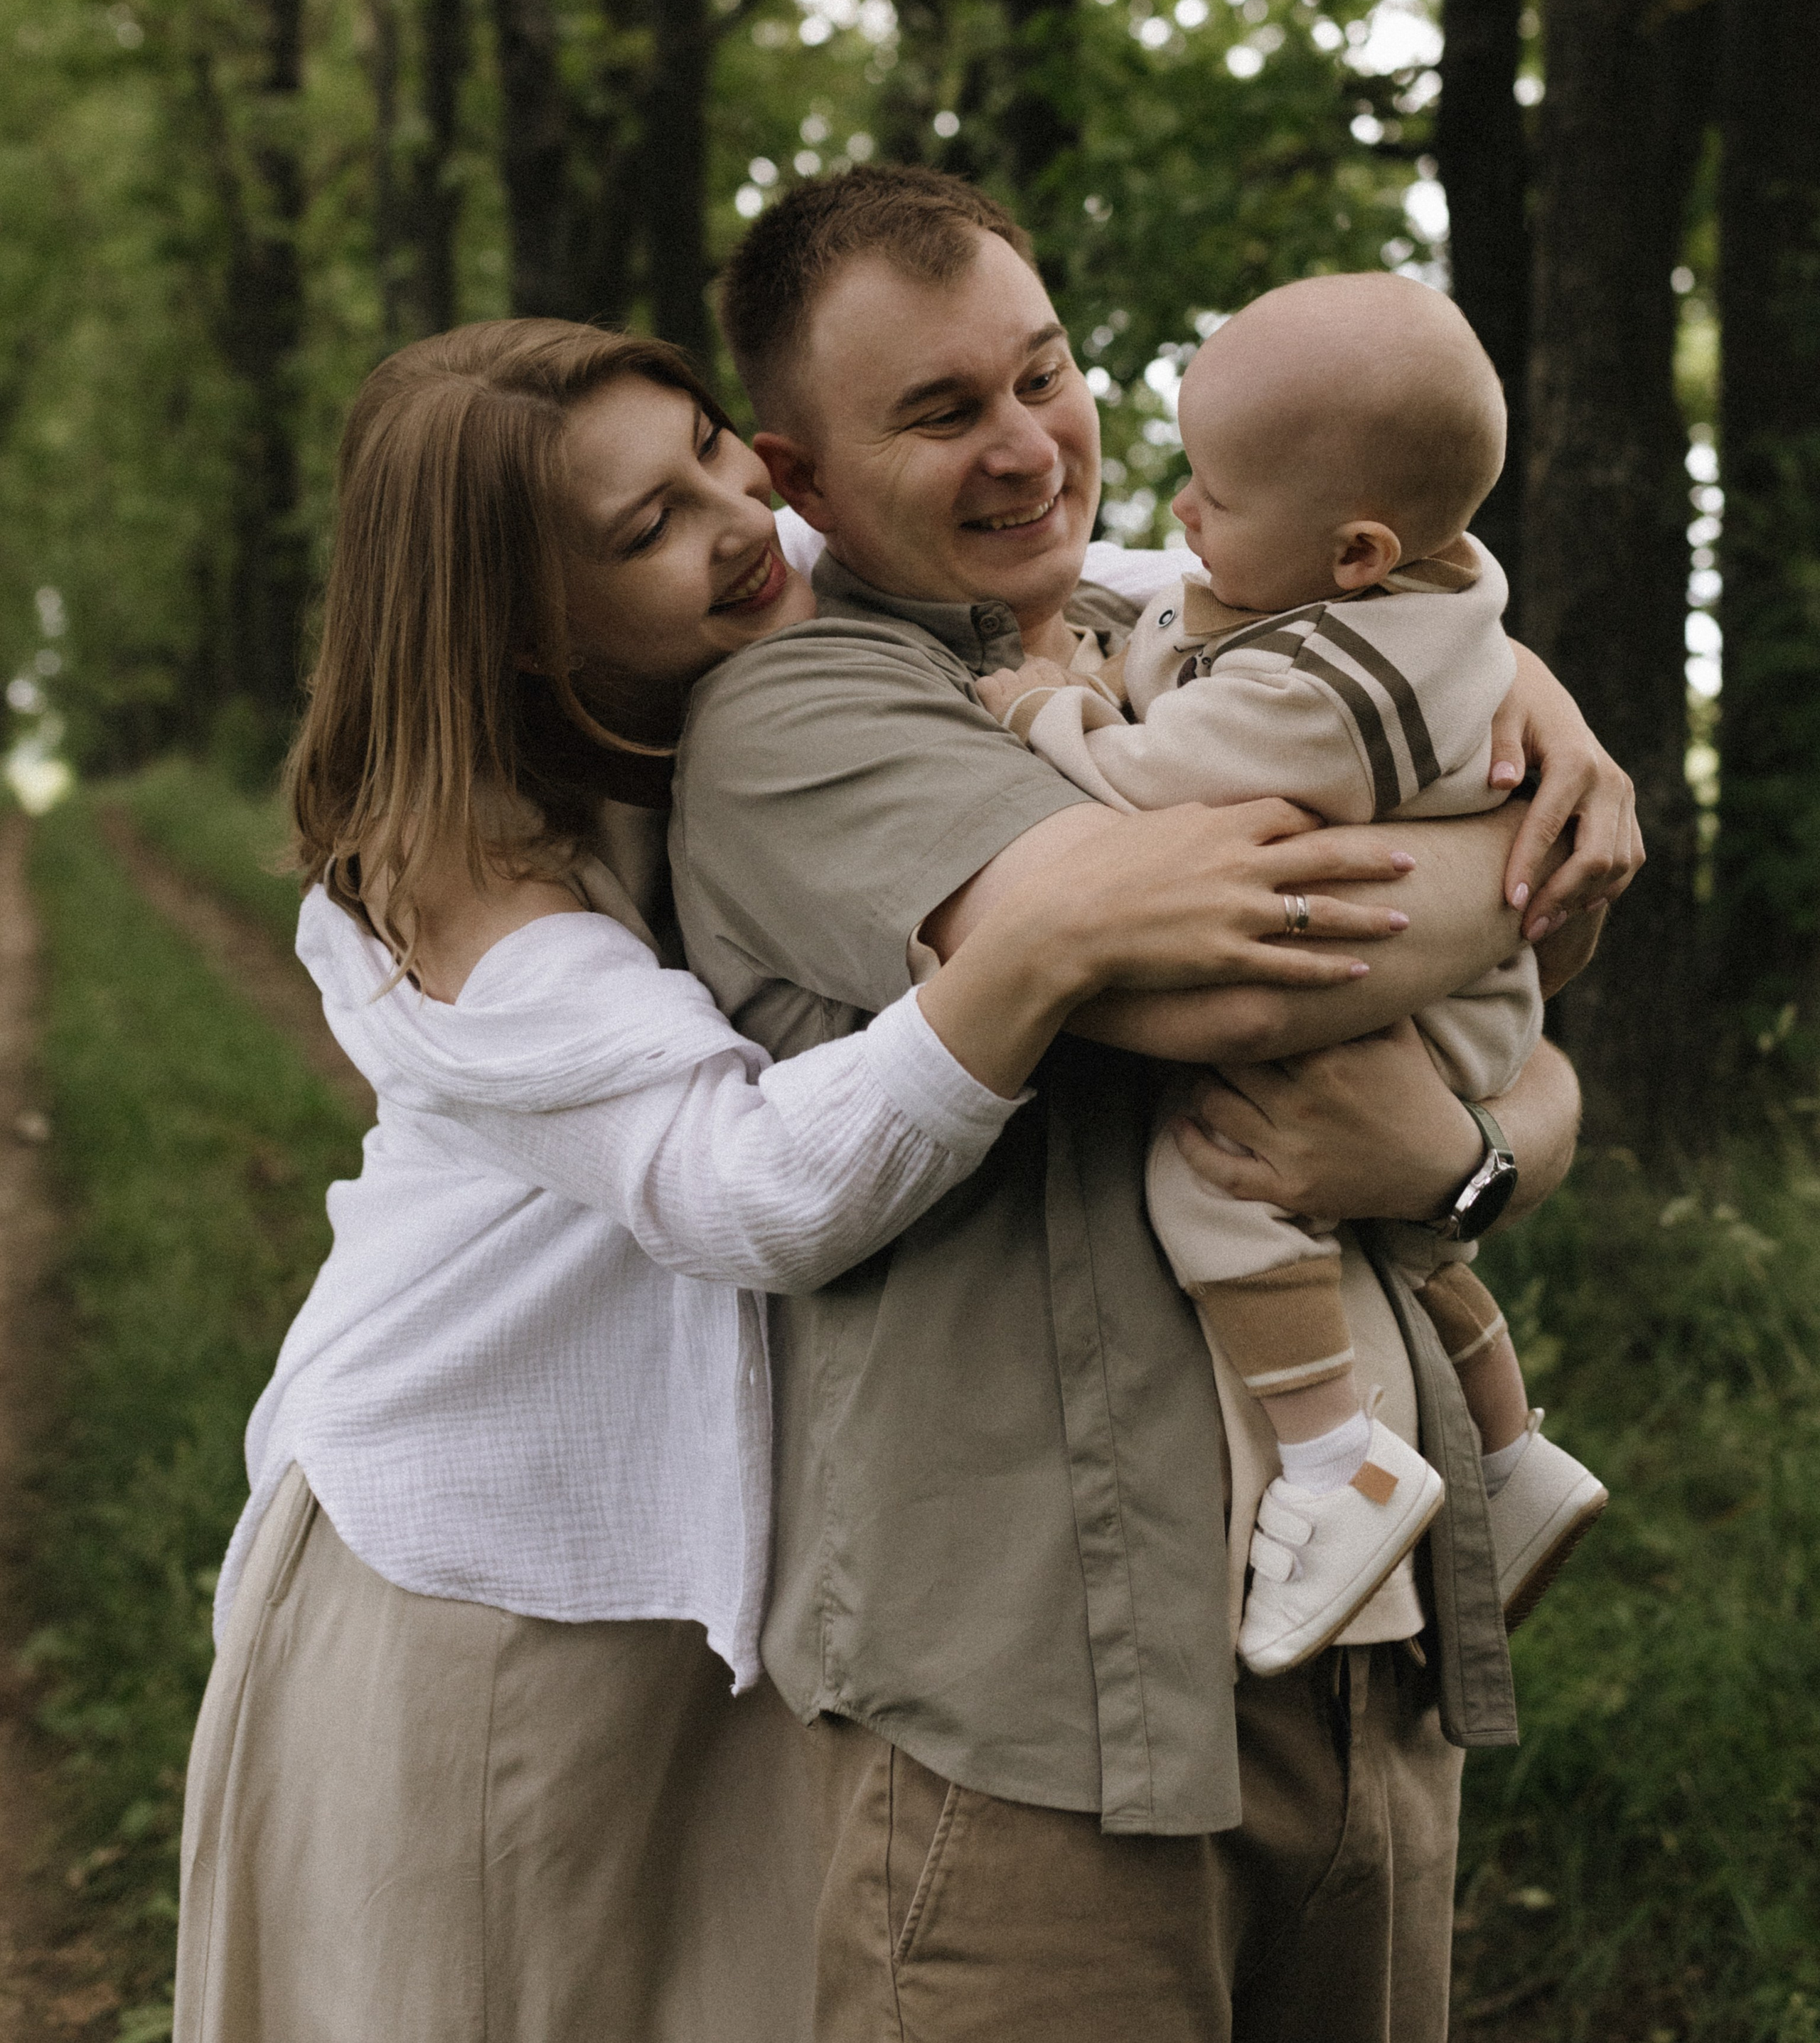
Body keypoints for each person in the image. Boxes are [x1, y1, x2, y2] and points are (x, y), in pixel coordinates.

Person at [171, 321, 1403, 2043]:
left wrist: (1493, 673)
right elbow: (742, 1193)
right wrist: (1029, 950)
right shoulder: (452, 878)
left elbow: (1117, 569)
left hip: (737, 1577)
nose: (739, 519)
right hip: (493, 1584)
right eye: (646, 527)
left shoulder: (761, 590)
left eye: (709, 449)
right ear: (523, 628)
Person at [673, 165, 1641, 2042]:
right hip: (1036, 1723)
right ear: (800, 476)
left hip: (1367, 1679)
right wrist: (1532, 845)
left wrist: (1469, 1157)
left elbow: (1511, 1069)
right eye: (941, 411)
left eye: (1040, 373)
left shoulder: (1199, 635)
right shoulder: (800, 719)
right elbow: (1224, 984)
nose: (1027, 444)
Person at [978, 270, 1608, 1675]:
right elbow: (1179, 620)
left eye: (1212, 493)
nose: (1181, 514)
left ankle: (1333, 1466)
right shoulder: (1393, 596)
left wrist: (1039, 707)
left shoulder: (1334, 689)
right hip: (1453, 992)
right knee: (1393, 1229)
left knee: (1215, 1176)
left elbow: (1150, 787)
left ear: (1355, 551)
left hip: (1430, 1016)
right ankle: (1512, 1456)